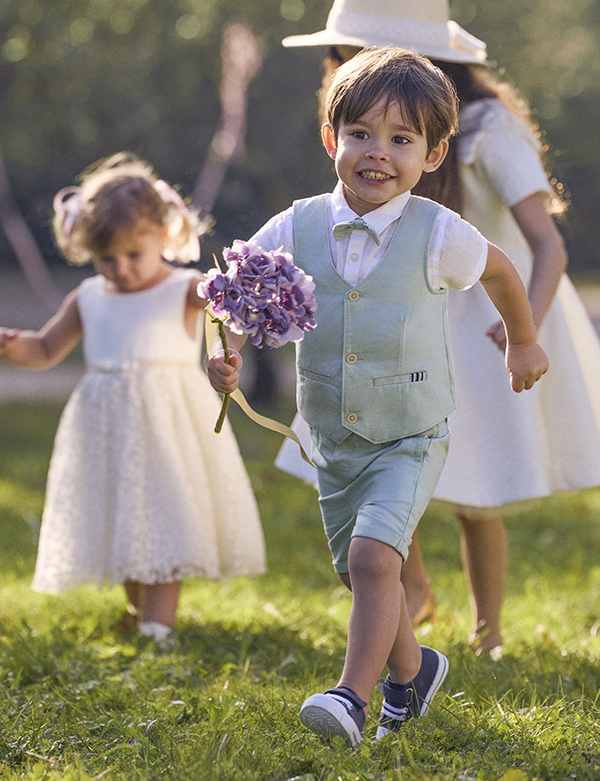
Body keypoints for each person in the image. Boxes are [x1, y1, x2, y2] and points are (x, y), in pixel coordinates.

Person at [279, 0, 600, 655]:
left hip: (486, 322)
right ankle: (411, 594)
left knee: (476, 482)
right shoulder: (374, 130)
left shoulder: (485, 128)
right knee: (381, 454)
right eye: (346, 56)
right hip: (408, 315)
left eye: (356, 52)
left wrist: (522, 329)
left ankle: (489, 631)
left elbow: (547, 245)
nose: (346, 67)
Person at [206, 47, 548, 745]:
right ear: (332, 139)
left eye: (401, 140)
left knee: (372, 560)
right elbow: (242, 298)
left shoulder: (438, 233)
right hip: (333, 437)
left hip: (411, 433)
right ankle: (413, 675)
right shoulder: (293, 226)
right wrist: (228, 355)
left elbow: (505, 272)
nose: (377, 154)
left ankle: (350, 700)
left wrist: (522, 340)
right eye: (361, 133)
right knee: (360, 572)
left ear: (433, 154)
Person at [0, 153, 266, 646]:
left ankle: (157, 626)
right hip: (105, 425)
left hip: (169, 423)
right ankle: (136, 606)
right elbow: (44, 349)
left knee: (165, 515)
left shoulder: (186, 287)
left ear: (164, 237)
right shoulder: (88, 296)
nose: (121, 269)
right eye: (107, 258)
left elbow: (229, 325)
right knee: (123, 517)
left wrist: (224, 358)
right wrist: (9, 343)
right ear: (86, 249)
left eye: (134, 254)